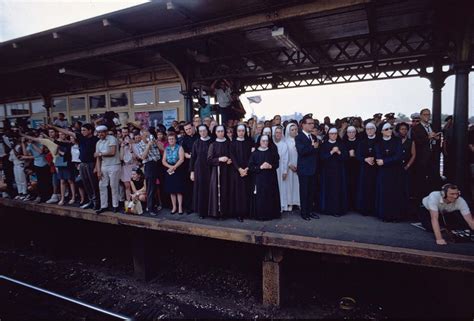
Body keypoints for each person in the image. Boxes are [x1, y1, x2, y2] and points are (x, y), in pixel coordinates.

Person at [50, 123, 100, 210]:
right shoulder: (81, 138)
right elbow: (68, 132)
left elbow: (98, 156)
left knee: (93, 184)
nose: (82, 132)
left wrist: (96, 166)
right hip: (82, 164)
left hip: (91, 164)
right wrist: (54, 127)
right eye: (81, 130)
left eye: (84, 130)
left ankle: (97, 202)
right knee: (86, 183)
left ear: (90, 131)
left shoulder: (96, 140)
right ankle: (91, 201)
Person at [375, 123, 403, 222]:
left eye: (391, 128)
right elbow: (379, 159)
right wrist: (389, 160)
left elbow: (399, 156)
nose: (389, 130)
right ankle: (384, 215)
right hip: (384, 172)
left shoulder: (397, 141)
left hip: (395, 172)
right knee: (384, 193)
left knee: (395, 193)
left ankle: (395, 216)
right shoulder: (378, 143)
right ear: (382, 131)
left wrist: (385, 161)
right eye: (387, 129)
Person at [248, 135, 280, 220]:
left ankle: (270, 215)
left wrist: (270, 166)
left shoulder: (271, 152)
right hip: (259, 179)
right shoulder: (255, 153)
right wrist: (260, 167)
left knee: (270, 196)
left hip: (270, 178)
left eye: (266, 141)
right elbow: (250, 167)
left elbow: (276, 164)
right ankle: (260, 215)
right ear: (259, 141)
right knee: (260, 197)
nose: (265, 143)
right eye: (263, 141)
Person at [412, 108, 441, 199]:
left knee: (433, 178)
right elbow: (417, 142)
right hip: (422, 158)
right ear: (420, 116)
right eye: (425, 114)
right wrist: (428, 137)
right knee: (421, 179)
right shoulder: (416, 128)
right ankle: (421, 199)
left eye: (428, 114)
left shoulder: (433, 126)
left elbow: (437, 140)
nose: (427, 116)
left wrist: (437, 139)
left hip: (433, 156)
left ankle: (432, 197)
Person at [295, 114, 320, 220]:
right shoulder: (299, 137)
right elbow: (301, 151)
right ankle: (304, 213)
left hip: (313, 168)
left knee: (312, 192)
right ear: (303, 125)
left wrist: (315, 148)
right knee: (304, 192)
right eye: (309, 123)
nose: (312, 125)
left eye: (313, 123)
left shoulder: (313, 137)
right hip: (304, 169)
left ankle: (310, 211)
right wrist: (312, 147)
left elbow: (316, 152)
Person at [320, 127, 348, 216]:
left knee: (337, 190)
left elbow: (346, 157)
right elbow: (321, 157)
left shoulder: (341, 144)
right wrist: (331, 152)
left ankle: (336, 210)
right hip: (327, 172)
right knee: (327, 190)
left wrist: (339, 152)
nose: (334, 135)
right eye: (332, 134)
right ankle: (327, 209)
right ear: (328, 135)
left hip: (339, 172)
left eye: (335, 134)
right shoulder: (324, 145)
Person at [94, 125, 121, 214]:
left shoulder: (112, 138)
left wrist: (100, 154)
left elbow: (112, 152)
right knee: (102, 186)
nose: (100, 134)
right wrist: (98, 170)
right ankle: (103, 206)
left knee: (113, 186)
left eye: (102, 132)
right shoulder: (98, 143)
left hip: (114, 164)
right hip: (104, 166)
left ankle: (115, 205)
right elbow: (97, 158)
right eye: (99, 132)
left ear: (106, 132)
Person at [135, 129, 162, 216]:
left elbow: (162, 149)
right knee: (151, 187)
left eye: (148, 135)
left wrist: (155, 142)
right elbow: (143, 157)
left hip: (158, 163)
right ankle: (150, 208)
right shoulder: (139, 145)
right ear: (141, 136)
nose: (148, 137)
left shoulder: (153, 141)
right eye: (146, 136)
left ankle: (158, 204)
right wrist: (148, 146)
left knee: (158, 186)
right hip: (149, 165)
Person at [207, 125, 232, 218]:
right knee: (217, 190)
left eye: (222, 131)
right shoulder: (212, 144)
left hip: (227, 171)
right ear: (215, 133)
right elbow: (209, 160)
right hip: (216, 171)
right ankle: (217, 212)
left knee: (227, 190)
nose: (220, 133)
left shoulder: (228, 143)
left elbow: (232, 155)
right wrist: (219, 159)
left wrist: (230, 160)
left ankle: (226, 212)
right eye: (218, 131)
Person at [229, 124, 253, 221]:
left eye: (243, 131)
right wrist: (239, 169)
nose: (241, 132)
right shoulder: (233, 143)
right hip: (236, 171)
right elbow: (232, 157)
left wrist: (246, 168)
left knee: (247, 191)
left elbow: (252, 156)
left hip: (247, 171)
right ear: (236, 132)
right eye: (239, 131)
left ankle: (247, 212)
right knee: (238, 193)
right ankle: (239, 214)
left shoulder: (249, 142)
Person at [190, 125, 212, 218]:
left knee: (211, 190)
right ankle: (202, 212)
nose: (202, 132)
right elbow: (193, 158)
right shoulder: (196, 143)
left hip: (211, 169)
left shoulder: (212, 141)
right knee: (201, 191)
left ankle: (211, 211)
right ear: (199, 132)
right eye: (200, 131)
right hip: (199, 169)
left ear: (207, 131)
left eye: (204, 130)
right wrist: (192, 171)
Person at [356, 122, 378, 216]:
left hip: (376, 169)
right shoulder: (362, 142)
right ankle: (365, 210)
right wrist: (365, 159)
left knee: (376, 188)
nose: (369, 131)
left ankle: (375, 210)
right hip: (365, 169)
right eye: (367, 129)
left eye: (371, 129)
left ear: (375, 130)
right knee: (365, 189)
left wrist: (374, 158)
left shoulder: (379, 141)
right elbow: (358, 155)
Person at [162, 132, 185, 214]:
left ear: (175, 140)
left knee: (178, 190)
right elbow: (163, 161)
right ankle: (174, 207)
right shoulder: (166, 149)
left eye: (172, 139)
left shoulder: (179, 147)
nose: (171, 140)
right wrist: (170, 167)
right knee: (171, 190)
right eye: (169, 139)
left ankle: (180, 207)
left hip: (178, 169)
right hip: (169, 170)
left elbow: (181, 159)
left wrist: (174, 167)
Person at [397, 122, 416, 215]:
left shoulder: (410, 141)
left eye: (405, 129)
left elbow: (413, 155)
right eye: (401, 129)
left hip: (407, 167)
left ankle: (406, 211)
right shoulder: (395, 141)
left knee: (406, 189)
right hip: (396, 168)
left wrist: (408, 165)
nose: (403, 131)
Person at [54, 131, 76, 205]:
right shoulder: (58, 143)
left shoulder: (69, 143)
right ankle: (62, 198)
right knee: (62, 181)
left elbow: (69, 154)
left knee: (70, 180)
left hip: (68, 163)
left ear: (65, 135)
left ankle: (73, 197)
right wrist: (57, 145)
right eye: (59, 134)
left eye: (62, 134)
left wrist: (62, 153)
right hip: (60, 163)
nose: (61, 136)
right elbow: (55, 153)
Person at [181, 122, 198, 214]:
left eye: (189, 128)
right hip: (188, 165)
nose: (188, 131)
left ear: (193, 127)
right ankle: (189, 207)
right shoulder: (184, 139)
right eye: (186, 129)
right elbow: (184, 153)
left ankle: (199, 206)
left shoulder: (199, 136)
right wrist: (190, 156)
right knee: (189, 187)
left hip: (199, 165)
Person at [284, 122, 300, 212]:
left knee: (298, 185)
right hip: (289, 167)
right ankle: (290, 203)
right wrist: (289, 164)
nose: (294, 131)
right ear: (288, 131)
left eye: (295, 129)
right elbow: (283, 155)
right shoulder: (285, 142)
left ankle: (297, 202)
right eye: (292, 130)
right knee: (289, 185)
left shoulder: (300, 140)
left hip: (299, 166)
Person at [274, 126, 289, 212]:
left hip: (281, 169)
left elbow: (285, 159)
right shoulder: (272, 144)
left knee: (281, 188)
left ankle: (281, 205)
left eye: (280, 132)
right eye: (277, 132)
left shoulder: (284, 145)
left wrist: (285, 171)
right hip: (273, 169)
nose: (278, 134)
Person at [343, 126, 359, 210]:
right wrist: (348, 155)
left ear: (355, 132)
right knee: (347, 185)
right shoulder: (344, 142)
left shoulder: (360, 142)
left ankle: (355, 205)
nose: (351, 134)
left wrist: (355, 155)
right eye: (349, 132)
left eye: (353, 132)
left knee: (356, 186)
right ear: (347, 133)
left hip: (357, 167)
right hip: (347, 167)